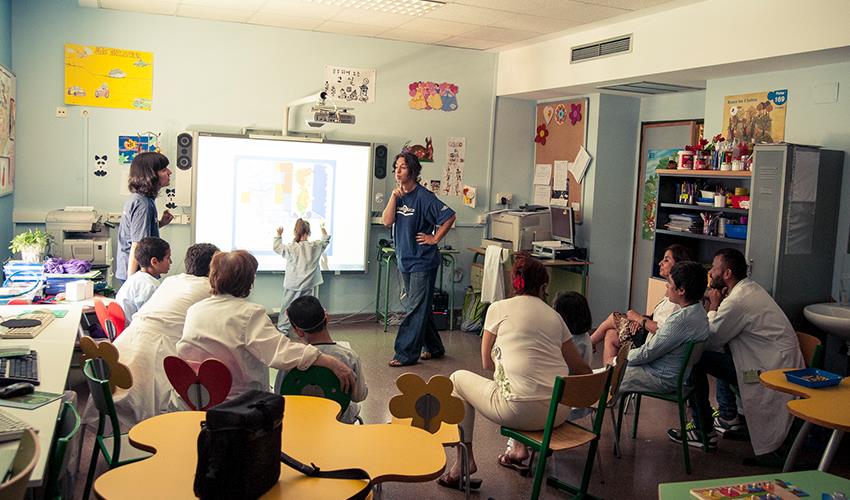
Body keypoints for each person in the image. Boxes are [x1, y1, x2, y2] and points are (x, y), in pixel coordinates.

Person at [438, 255, 591, 490]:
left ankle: (463, 462)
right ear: (543, 287)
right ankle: (518, 448)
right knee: (526, 385)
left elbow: (486, 363)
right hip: (557, 413)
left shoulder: (498, 309)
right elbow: (581, 369)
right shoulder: (556, 317)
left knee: (457, 379)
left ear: (515, 283)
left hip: (516, 410)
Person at [669, 248, 804, 457]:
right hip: (771, 364)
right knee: (724, 358)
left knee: (696, 359)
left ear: (727, 274)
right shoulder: (748, 289)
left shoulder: (737, 302)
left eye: (714, 268)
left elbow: (710, 340)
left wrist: (714, 305)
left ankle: (703, 430)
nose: (710, 272)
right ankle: (728, 416)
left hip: (763, 374)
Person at [177, 250, 355, 400]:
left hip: (200, 398)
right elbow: (282, 353)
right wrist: (332, 362)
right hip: (240, 404)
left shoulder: (195, 310)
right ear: (248, 281)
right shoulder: (248, 314)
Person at [108, 243, 219, 429]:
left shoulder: (172, 280)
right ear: (214, 268)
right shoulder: (209, 290)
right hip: (154, 351)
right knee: (160, 411)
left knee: (126, 397)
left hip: (127, 341)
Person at [382, 152, 456, 367]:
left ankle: (405, 354)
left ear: (412, 171)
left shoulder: (424, 197)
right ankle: (434, 347)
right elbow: (387, 221)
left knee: (415, 307)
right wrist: (394, 197)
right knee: (420, 306)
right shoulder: (398, 196)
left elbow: (449, 216)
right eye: (396, 167)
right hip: (405, 259)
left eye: (402, 167)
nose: (397, 171)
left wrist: (435, 238)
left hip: (422, 261)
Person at [589, 244, 693, 364]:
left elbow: (663, 329)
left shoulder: (677, 300)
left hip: (650, 343)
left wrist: (639, 319)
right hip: (646, 333)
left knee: (614, 317)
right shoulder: (672, 291)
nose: (660, 263)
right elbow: (658, 317)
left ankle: (587, 344)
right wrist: (642, 320)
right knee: (611, 335)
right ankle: (609, 376)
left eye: (666, 260)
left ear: (678, 265)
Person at [618, 261, 710, 395]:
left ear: (681, 290)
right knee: (614, 371)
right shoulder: (699, 312)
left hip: (660, 377)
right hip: (671, 374)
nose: (667, 285)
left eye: (670, 283)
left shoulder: (680, 320)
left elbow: (648, 352)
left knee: (610, 375)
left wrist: (620, 358)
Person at [276, 296, 367, 424]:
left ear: (299, 331)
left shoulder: (291, 359)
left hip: (301, 422)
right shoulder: (349, 357)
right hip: (340, 424)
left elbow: (281, 393)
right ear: (327, 318)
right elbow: (359, 396)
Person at [115, 152, 174, 285]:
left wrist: (160, 223)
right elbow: (138, 244)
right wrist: (132, 283)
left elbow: (138, 231)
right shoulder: (143, 205)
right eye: (164, 170)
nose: (169, 172)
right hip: (135, 272)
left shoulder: (141, 199)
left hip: (133, 271)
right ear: (151, 176)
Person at [273, 218, 330, 337]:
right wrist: (323, 230)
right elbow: (325, 241)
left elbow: (277, 247)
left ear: (295, 232)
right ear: (308, 232)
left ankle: (283, 331)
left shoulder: (291, 247)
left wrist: (278, 235)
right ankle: (308, 329)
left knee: (287, 307)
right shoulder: (315, 246)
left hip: (292, 285)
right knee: (308, 308)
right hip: (309, 284)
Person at [114, 236, 171, 325]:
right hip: (133, 331)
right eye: (168, 258)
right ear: (154, 262)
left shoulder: (135, 278)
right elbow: (149, 320)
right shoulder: (150, 286)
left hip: (123, 328)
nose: (171, 262)